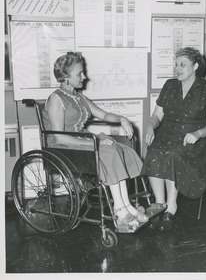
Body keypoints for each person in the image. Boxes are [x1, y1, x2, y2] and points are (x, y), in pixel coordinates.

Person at [42, 52, 149, 229]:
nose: (84, 77)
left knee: (119, 148)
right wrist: (93, 143)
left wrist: (121, 118)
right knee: (108, 150)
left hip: (84, 140)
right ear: (66, 78)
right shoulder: (56, 99)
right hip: (64, 147)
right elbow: (59, 137)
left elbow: (104, 114)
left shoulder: (78, 97)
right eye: (79, 74)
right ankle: (120, 209)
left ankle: (126, 205)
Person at [141, 47, 206, 231]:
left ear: (195, 66)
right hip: (167, 133)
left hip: (193, 140)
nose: (177, 68)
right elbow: (156, 116)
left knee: (172, 154)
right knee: (154, 151)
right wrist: (149, 127)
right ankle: (159, 205)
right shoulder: (170, 85)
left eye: (182, 65)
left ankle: (171, 207)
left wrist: (198, 133)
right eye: (176, 64)